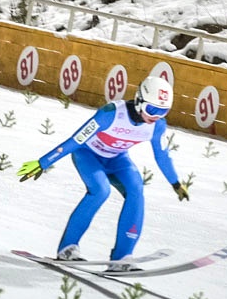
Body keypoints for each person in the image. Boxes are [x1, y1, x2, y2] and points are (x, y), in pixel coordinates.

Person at [17, 76, 190, 271]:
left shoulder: (157, 125)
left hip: (117, 159)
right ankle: (67, 249)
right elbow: (76, 141)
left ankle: (122, 257)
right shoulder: (110, 113)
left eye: (163, 111)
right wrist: (43, 162)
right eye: (152, 110)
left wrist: (176, 183)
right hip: (88, 155)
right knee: (101, 190)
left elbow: (162, 156)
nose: (156, 116)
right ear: (140, 101)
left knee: (136, 189)